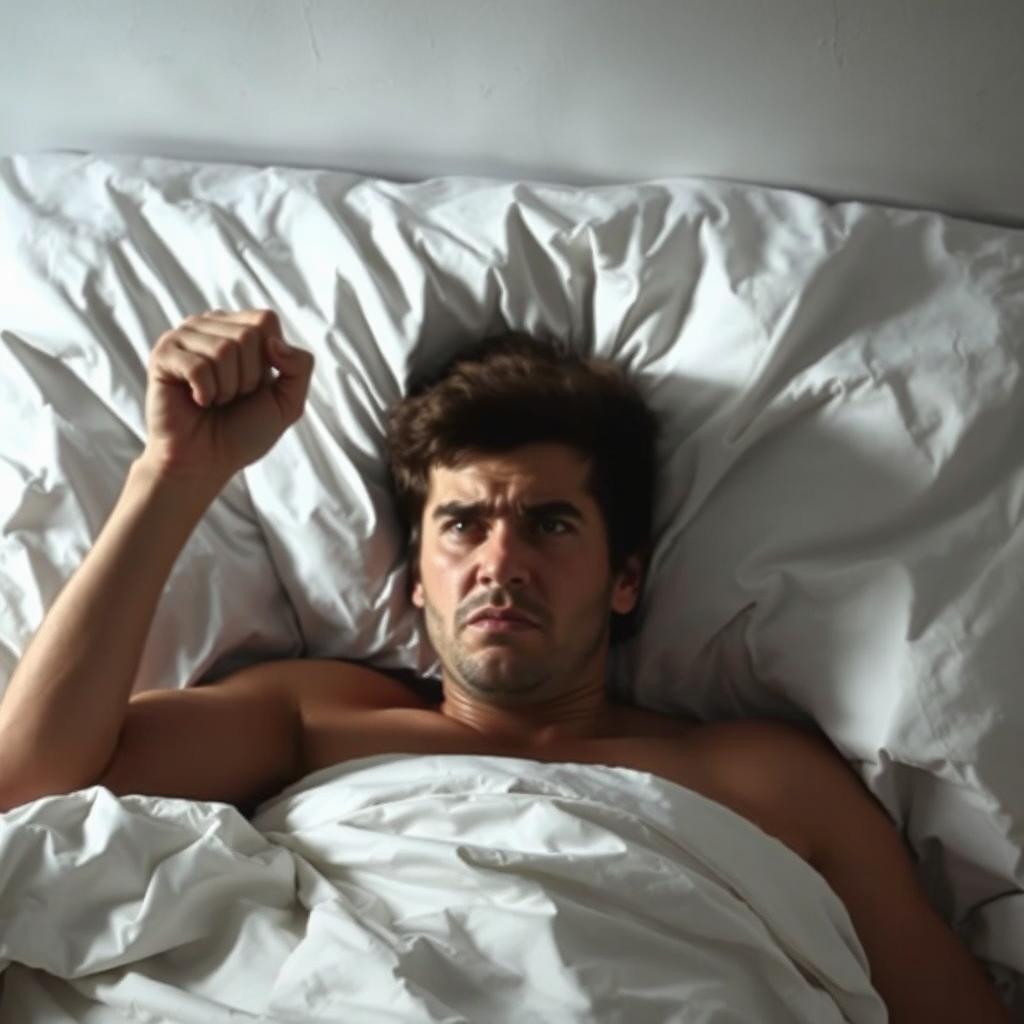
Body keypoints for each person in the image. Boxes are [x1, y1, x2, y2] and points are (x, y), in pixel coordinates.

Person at [0, 309, 1009, 1023]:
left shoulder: (762, 775)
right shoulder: (314, 718)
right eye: (462, 523)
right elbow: (32, 789)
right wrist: (172, 473)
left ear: (624, 580)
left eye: (550, 522)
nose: (500, 560)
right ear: (412, 585)